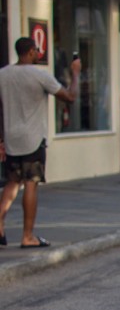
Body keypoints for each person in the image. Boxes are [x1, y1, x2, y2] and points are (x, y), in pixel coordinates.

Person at [0, 37, 81, 248]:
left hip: (11, 138)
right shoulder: (39, 75)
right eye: (36, 50)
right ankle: (28, 236)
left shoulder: (3, 74)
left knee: (12, 182)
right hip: (33, 139)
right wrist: (75, 73)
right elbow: (70, 97)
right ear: (29, 52)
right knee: (30, 183)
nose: (38, 53)